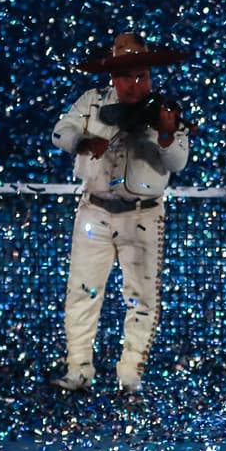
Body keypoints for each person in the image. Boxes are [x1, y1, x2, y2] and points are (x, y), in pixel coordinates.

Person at [49, 32, 190, 393]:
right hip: (94, 212)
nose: (135, 83)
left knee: (142, 297)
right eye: (127, 76)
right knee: (82, 291)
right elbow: (60, 133)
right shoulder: (92, 102)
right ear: (113, 77)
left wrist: (165, 133)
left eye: (141, 75)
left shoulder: (165, 110)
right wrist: (83, 141)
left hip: (143, 216)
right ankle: (78, 368)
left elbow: (179, 161)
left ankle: (131, 374)